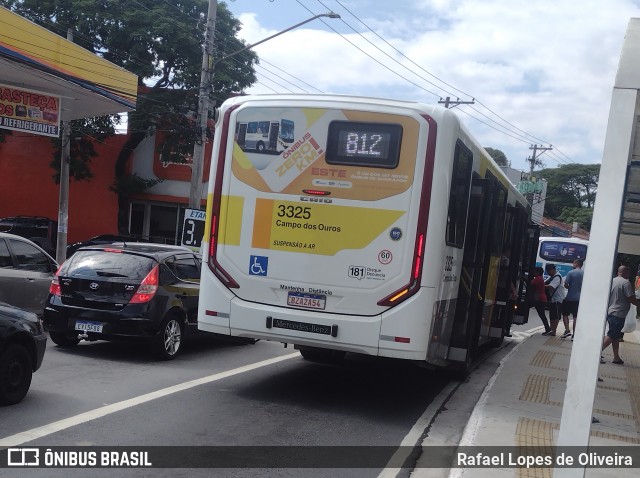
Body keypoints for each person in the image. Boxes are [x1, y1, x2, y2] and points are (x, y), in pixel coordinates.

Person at [602, 265, 640, 364]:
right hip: (618, 314)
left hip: (611, 311)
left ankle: (616, 357)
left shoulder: (613, 280)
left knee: (616, 336)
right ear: (626, 272)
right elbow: (631, 298)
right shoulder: (626, 283)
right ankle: (596, 354)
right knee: (611, 335)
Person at [562, 259, 584, 340]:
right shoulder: (584, 273)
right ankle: (574, 335)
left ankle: (567, 330)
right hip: (579, 299)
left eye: (573, 263)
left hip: (570, 297)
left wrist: (570, 286)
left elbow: (566, 285)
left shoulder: (571, 272)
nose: (572, 264)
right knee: (576, 317)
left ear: (577, 264)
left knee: (565, 314)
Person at [545, 264, 568, 336]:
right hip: (553, 299)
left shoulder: (557, 277)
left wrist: (542, 285)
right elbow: (546, 282)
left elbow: (552, 287)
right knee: (552, 316)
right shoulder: (551, 277)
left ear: (552, 270)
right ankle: (552, 330)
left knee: (555, 316)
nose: (548, 273)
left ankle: (554, 330)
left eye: (549, 271)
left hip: (558, 299)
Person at [528, 267, 552, 334]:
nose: (533, 273)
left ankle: (548, 329)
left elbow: (530, 283)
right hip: (540, 299)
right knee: (542, 314)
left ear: (538, 272)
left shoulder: (538, 278)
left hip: (540, 299)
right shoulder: (540, 278)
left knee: (542, 314)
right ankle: (548, 328)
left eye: (534, 271)